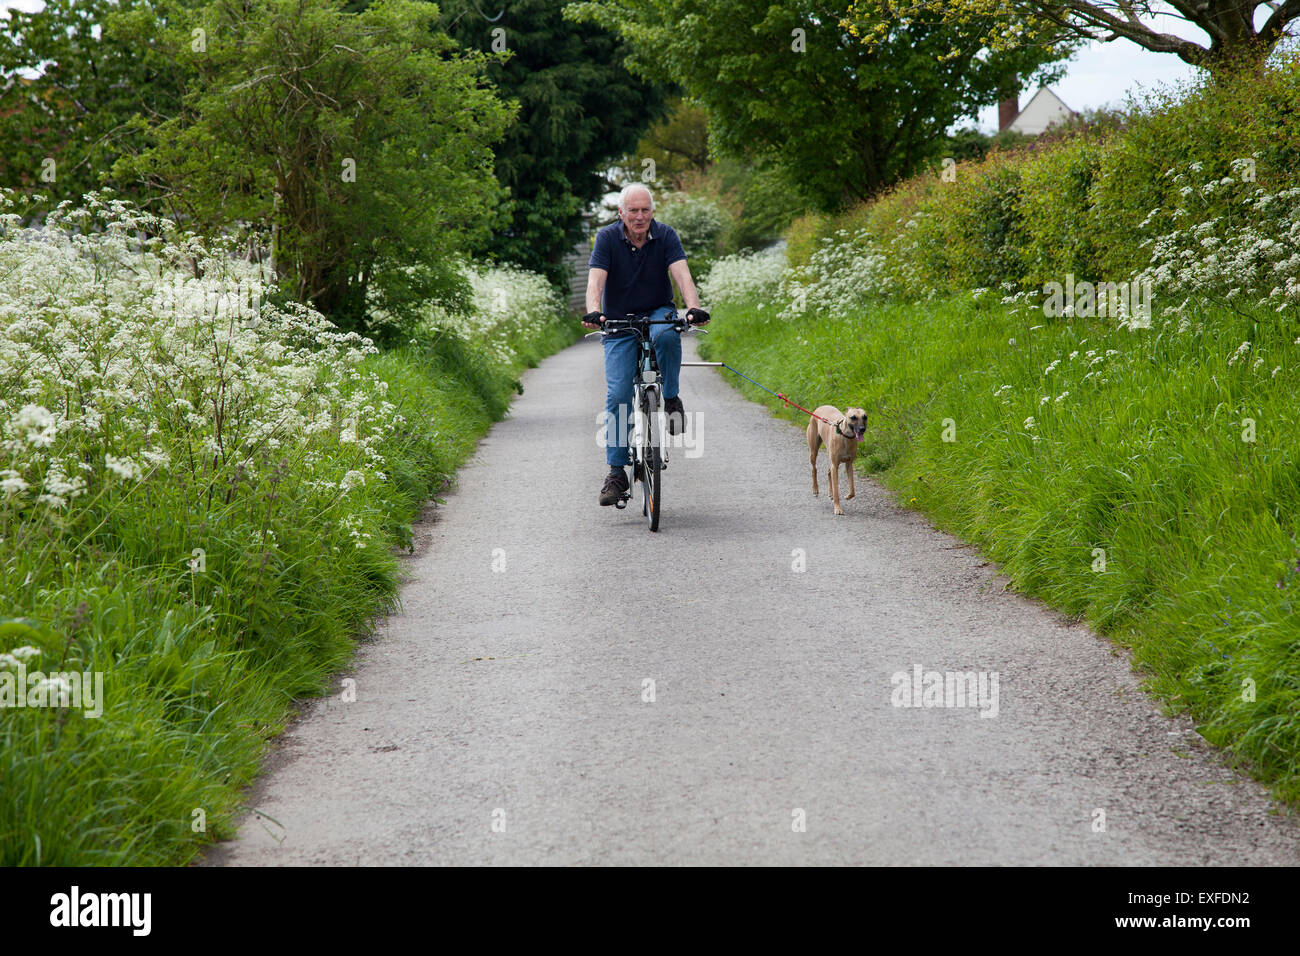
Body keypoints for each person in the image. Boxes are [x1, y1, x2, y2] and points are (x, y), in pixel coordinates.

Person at [583, 183, 709, 506]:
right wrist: (593, 312)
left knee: (667, 334)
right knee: (618, 395)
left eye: (645, 210)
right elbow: (596, 281)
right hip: (618, 320)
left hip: (657, 310)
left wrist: (693, 307)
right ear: (621, 213)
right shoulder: (607, 239)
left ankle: (670, 400)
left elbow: (682, 275)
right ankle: (616, 472)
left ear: (652, 212)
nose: (640, 217)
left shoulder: (665, 235)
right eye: (633, 211)